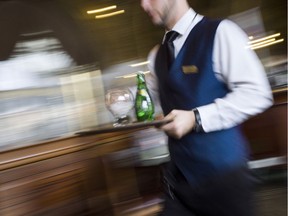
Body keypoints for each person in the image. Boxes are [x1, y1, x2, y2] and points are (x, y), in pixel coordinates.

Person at [140, 0, 273, 215]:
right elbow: (157, 107)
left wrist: (196, 118)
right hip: (178, 183)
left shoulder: (221, 32)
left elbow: (258, 93)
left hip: (223, 179)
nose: (144, 5)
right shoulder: (155, 57)